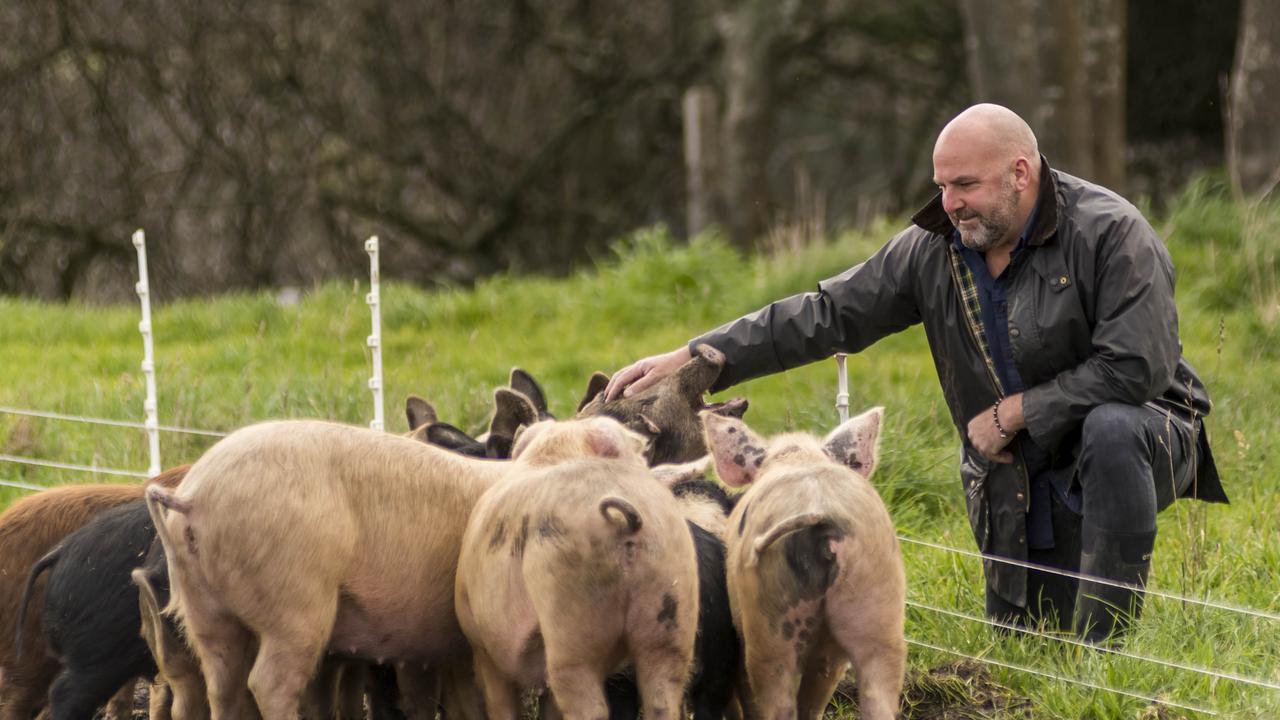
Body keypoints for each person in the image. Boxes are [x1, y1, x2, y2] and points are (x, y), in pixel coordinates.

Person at [604, 103, 1226, 643]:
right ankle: (1064, 624)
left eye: (965, 185)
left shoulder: (1112, 232)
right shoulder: (936, 245)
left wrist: (1017, 412)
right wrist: (699, 359)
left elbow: (1136, 368)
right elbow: (827, 313)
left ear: (1020, 173)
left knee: (1112, 429)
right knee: (1028, 640)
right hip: (1018, 471)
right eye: (942, 185)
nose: (948, 203)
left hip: (1141, 437)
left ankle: (1110, 655)